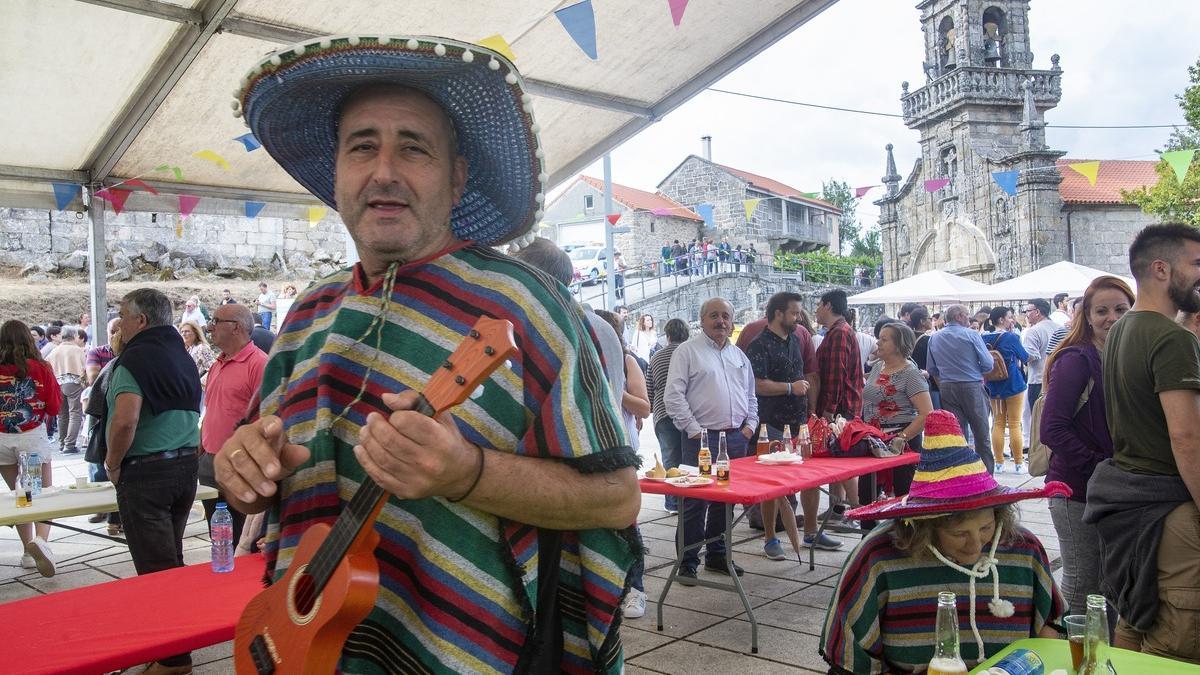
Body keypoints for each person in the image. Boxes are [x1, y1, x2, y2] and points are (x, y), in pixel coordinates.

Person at [215, 36, 639, 673]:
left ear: (457, 175)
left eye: (413, 147)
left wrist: (467, 472)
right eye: (363, 146)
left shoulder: (525, 307)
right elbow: (259, 473)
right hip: (303, 651)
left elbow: (616, 497)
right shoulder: (308, 314)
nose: (384, 170)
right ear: (336, 170)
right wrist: (242, 472)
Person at [821, 411, 1066, 673]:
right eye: (959, 534)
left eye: (986, 528)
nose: (975, 545)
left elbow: (1053, 625)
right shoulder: (876, 558)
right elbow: (848, 661)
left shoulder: (1024, 548)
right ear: (923, 527)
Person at [1084, 224, 1200, 663]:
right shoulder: (1171, 337)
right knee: (1177, 646)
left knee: (1134, 626)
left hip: (1134, 505)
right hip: (1171, 509)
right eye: (1196, 264)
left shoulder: (1124, 329)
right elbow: (1186, 436)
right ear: (1161, 269)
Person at [105, 288, 202, 674]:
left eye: (123, 316)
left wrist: (113, 462)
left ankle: (173, 660)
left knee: (156, 568)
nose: (119, 323)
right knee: (171, 559)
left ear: (140, 321)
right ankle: (174, 642)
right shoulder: (181, 355)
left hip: (146, 472)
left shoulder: (134, 359)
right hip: (183, 467)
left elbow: (125, 420)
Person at [1040, 276, 1133, 620]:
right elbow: (1052, 429)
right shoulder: (1076, 359)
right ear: (1087, 316)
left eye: (1121, 309)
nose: (1112, 317)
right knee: (1082, 585)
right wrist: (1099, 465)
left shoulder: (1128, 355)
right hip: (1075, 490)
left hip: (1116, 490)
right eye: (1102, 310)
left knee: (1110, 586)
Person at [665, 297, 757, 583]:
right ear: (702, 320)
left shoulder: (739, 355)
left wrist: (749, 427)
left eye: (726, 316)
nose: (721, 321)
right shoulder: (687, 351)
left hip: (736, 438)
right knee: (695, 501)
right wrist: (694, 430)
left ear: (732, 322)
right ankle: (687, 561)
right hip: (701, 439)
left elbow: (750, 395)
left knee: (726, 501)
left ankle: (718, 556)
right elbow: (673, 396)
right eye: (714, 316)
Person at [745, 292, 839, 553]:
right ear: (778, 314)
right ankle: (770, 539)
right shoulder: (759, 344)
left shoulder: (795, 339)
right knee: (773, 485)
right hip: (771, 424)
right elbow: (757, 384)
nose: (799, 318)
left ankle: (810, 533)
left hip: (799, 422)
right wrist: (790, 388)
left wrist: (810, 408)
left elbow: (804, 376)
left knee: (810, 479)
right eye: (795, 313)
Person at [594, 308, 651, 620]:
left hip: (621, 449)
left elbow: (644, 407)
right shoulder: (581, 355)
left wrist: (613, 388)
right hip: (592, 450)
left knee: (628, 520)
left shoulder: (626, 361)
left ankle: (635, 590)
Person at [200, 304, 268, 553]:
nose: (209, 326)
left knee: (240, 538)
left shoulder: (259, 363)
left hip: (240, 464)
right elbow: (212, 409)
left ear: (236, 327)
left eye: (216, 321)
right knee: (217, 534)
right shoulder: (218, 363)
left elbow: (267, 418)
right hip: (210, 459)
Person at [0, 319, 60, 577]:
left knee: (20, 498)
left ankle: (27, 552)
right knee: (39, 494)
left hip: (2, 439)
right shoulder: (41, 368)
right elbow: (54, 407)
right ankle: (42, 544)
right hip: (31, 439)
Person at [862, 321, 932, 498]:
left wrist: (901, 438)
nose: (878, 343)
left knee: (903, 495)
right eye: (879, 338)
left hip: (900, 442)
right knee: (866, 495)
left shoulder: (910, 373)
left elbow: (927, 413)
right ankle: (868, 526)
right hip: (873, 439)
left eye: (884, 340)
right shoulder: (878, 366)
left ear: (899, 345)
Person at [928, 304, 995, 472]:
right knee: (982, 435)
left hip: (947, 387)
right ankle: (986, 475)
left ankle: (962, 475)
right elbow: (988, 364)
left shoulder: (934, 338)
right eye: (966, 314)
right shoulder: (971, 335)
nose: (968, 317)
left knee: (958, 435)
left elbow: (932, 368)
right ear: (959, 316)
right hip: (971, 385)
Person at [814, 289, 863, 515]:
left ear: (827, 305)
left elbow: (836, 375)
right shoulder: (839, 331)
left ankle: (856, 511)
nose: (815, 310)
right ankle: (837, 508)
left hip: (840, 410)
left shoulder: (839, 333)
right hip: (844, 408)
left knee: (844, 462)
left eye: (818, 305)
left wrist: (828, 411)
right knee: (837, 460)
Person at [646, 318, 689, 514]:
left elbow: (649, 390)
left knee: (670, 457)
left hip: (663, 413)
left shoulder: (656, 357)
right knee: (689, 457)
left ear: (668, 335)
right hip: (689, 412)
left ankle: (672, 503)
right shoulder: (690, 353)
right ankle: (690, 499)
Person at [84, 318, 122, 534]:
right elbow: (92, 377)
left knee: (117, 468)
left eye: (119, 329)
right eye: (112, 331)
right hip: (102, 417)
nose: (116, 334)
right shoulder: (98, 352)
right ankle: (102, 508)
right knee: (100, 467)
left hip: (118, 417)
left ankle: (114, 519)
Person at [982, 307, 1030, 473]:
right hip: (1013, 384)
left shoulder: (983, 337)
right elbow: (1025, 357)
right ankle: (1018, 464)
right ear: (1001, 319)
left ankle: (999, 463)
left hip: (993, 385)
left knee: (998, 423)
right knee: (1015, 424)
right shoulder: (1011, 337)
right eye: (1010, 317)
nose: (1013, 320)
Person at [45, 326, 86, 454]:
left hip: (58, 384)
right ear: (74, 336)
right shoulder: (78, 350)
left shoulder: (55, 351)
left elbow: (47, 366)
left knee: (62, 415)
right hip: (74, 383)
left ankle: (62, 443)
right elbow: (85, 367)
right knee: (75, 413)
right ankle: (70, 444)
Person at [1020, 297, 1059, 413]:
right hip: (1058, 378)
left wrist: (1018, 353)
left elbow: (1031, 356)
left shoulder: (1033, 331)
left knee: (1038, 421)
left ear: (1037, 312)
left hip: (1038, 381)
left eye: (1028, 311)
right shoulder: (1059, 328)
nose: (1026, 315)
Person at [909, 308, 939, 409]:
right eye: (929, 318)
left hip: (910, 381)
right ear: (922, 321)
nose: (931, 321)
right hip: (927, 382)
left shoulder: (908, 336)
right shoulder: (928, 340)